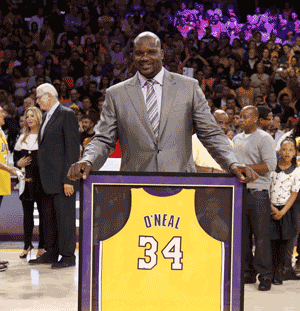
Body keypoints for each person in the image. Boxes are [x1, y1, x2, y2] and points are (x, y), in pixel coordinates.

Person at [67, 32, 257, 183]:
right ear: (133, 56)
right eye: (139, 53)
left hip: (181, 185)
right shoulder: (116, 94)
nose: (145, 57)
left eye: (151, 52)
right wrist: (88, 159)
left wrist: (232, 163)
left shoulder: (189, 87)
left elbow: (211, 134)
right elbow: (103, 139)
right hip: (135, 185)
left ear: (162, 54)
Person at [28, 83, 80, 269]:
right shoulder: (47, 117)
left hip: (62, 181)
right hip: (46, 181)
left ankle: (67, 256)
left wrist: (69, 180)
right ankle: (51, 253)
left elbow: (73, 150)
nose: (37, 101)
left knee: (64, 219)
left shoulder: (67, 115)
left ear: (49, 96)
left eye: (39, 97)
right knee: (48, 219)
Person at [233, 105, 277, 291]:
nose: (241, 120)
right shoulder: (236, 138)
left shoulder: (265, 138)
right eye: (240, 117)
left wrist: (244, 168)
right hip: (240, 191)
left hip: (258, 192)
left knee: (261, 237)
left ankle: (265, 275)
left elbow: (270, 165)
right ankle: (248, 272)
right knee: (243, 236)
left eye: (245, 117)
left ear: (256, 120)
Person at [13, 107, 45, 259]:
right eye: (27, 116)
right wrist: (18, 163)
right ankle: (27, 245)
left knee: (44, 215)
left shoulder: (44, 136)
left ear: (38, 117)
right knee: (27, 216)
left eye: (32, 116)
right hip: (26, 182)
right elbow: (15, 160)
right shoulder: (22, 137)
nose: (29, 118)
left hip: (42, 182)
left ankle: (43, 246)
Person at [269, 138, 300, 284]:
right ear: (279, 151)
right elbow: (267, 188)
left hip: (286, 209)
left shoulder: (296, 171)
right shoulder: (272, 168)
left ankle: (279, 272)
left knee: (283, 241)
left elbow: (294, 193)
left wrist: (282, 211)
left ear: (295, 153)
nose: (287, 152)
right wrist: (271, 207)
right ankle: (270, 270)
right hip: (270, 207)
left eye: (290, 150)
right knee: (271, 241)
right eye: (284, 149)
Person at [0, 106, 24, 271]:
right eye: (0, 111)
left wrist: (12, 167)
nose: (3, 114)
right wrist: (11, 169)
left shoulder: (1, 131)